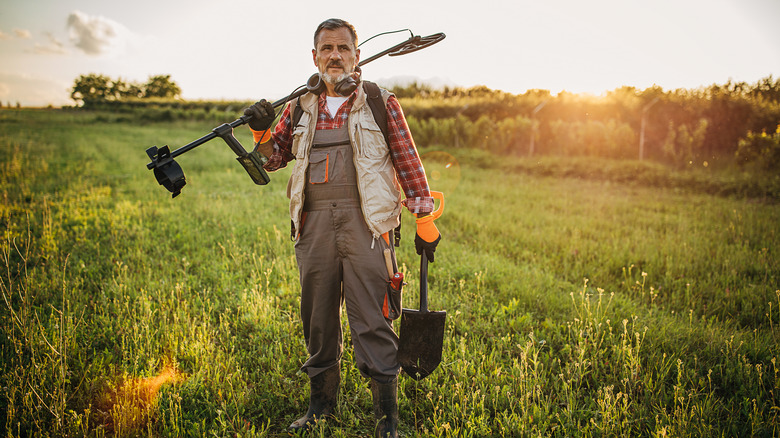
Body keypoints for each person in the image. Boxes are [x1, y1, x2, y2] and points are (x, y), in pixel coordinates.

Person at [243, 18, 441, 437]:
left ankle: (386, 418)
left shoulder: (378, 101)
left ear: (356, 55)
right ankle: (320, 406)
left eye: (343, 48)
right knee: (317, 318)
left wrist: (424, 217)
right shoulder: (299, 105)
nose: (335, 56)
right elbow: (273, 158)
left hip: (368, 226)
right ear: (314, 57)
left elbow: (407, 160)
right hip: (313, 226)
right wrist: (261, 128)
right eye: (326, 49)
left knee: (373, 316)